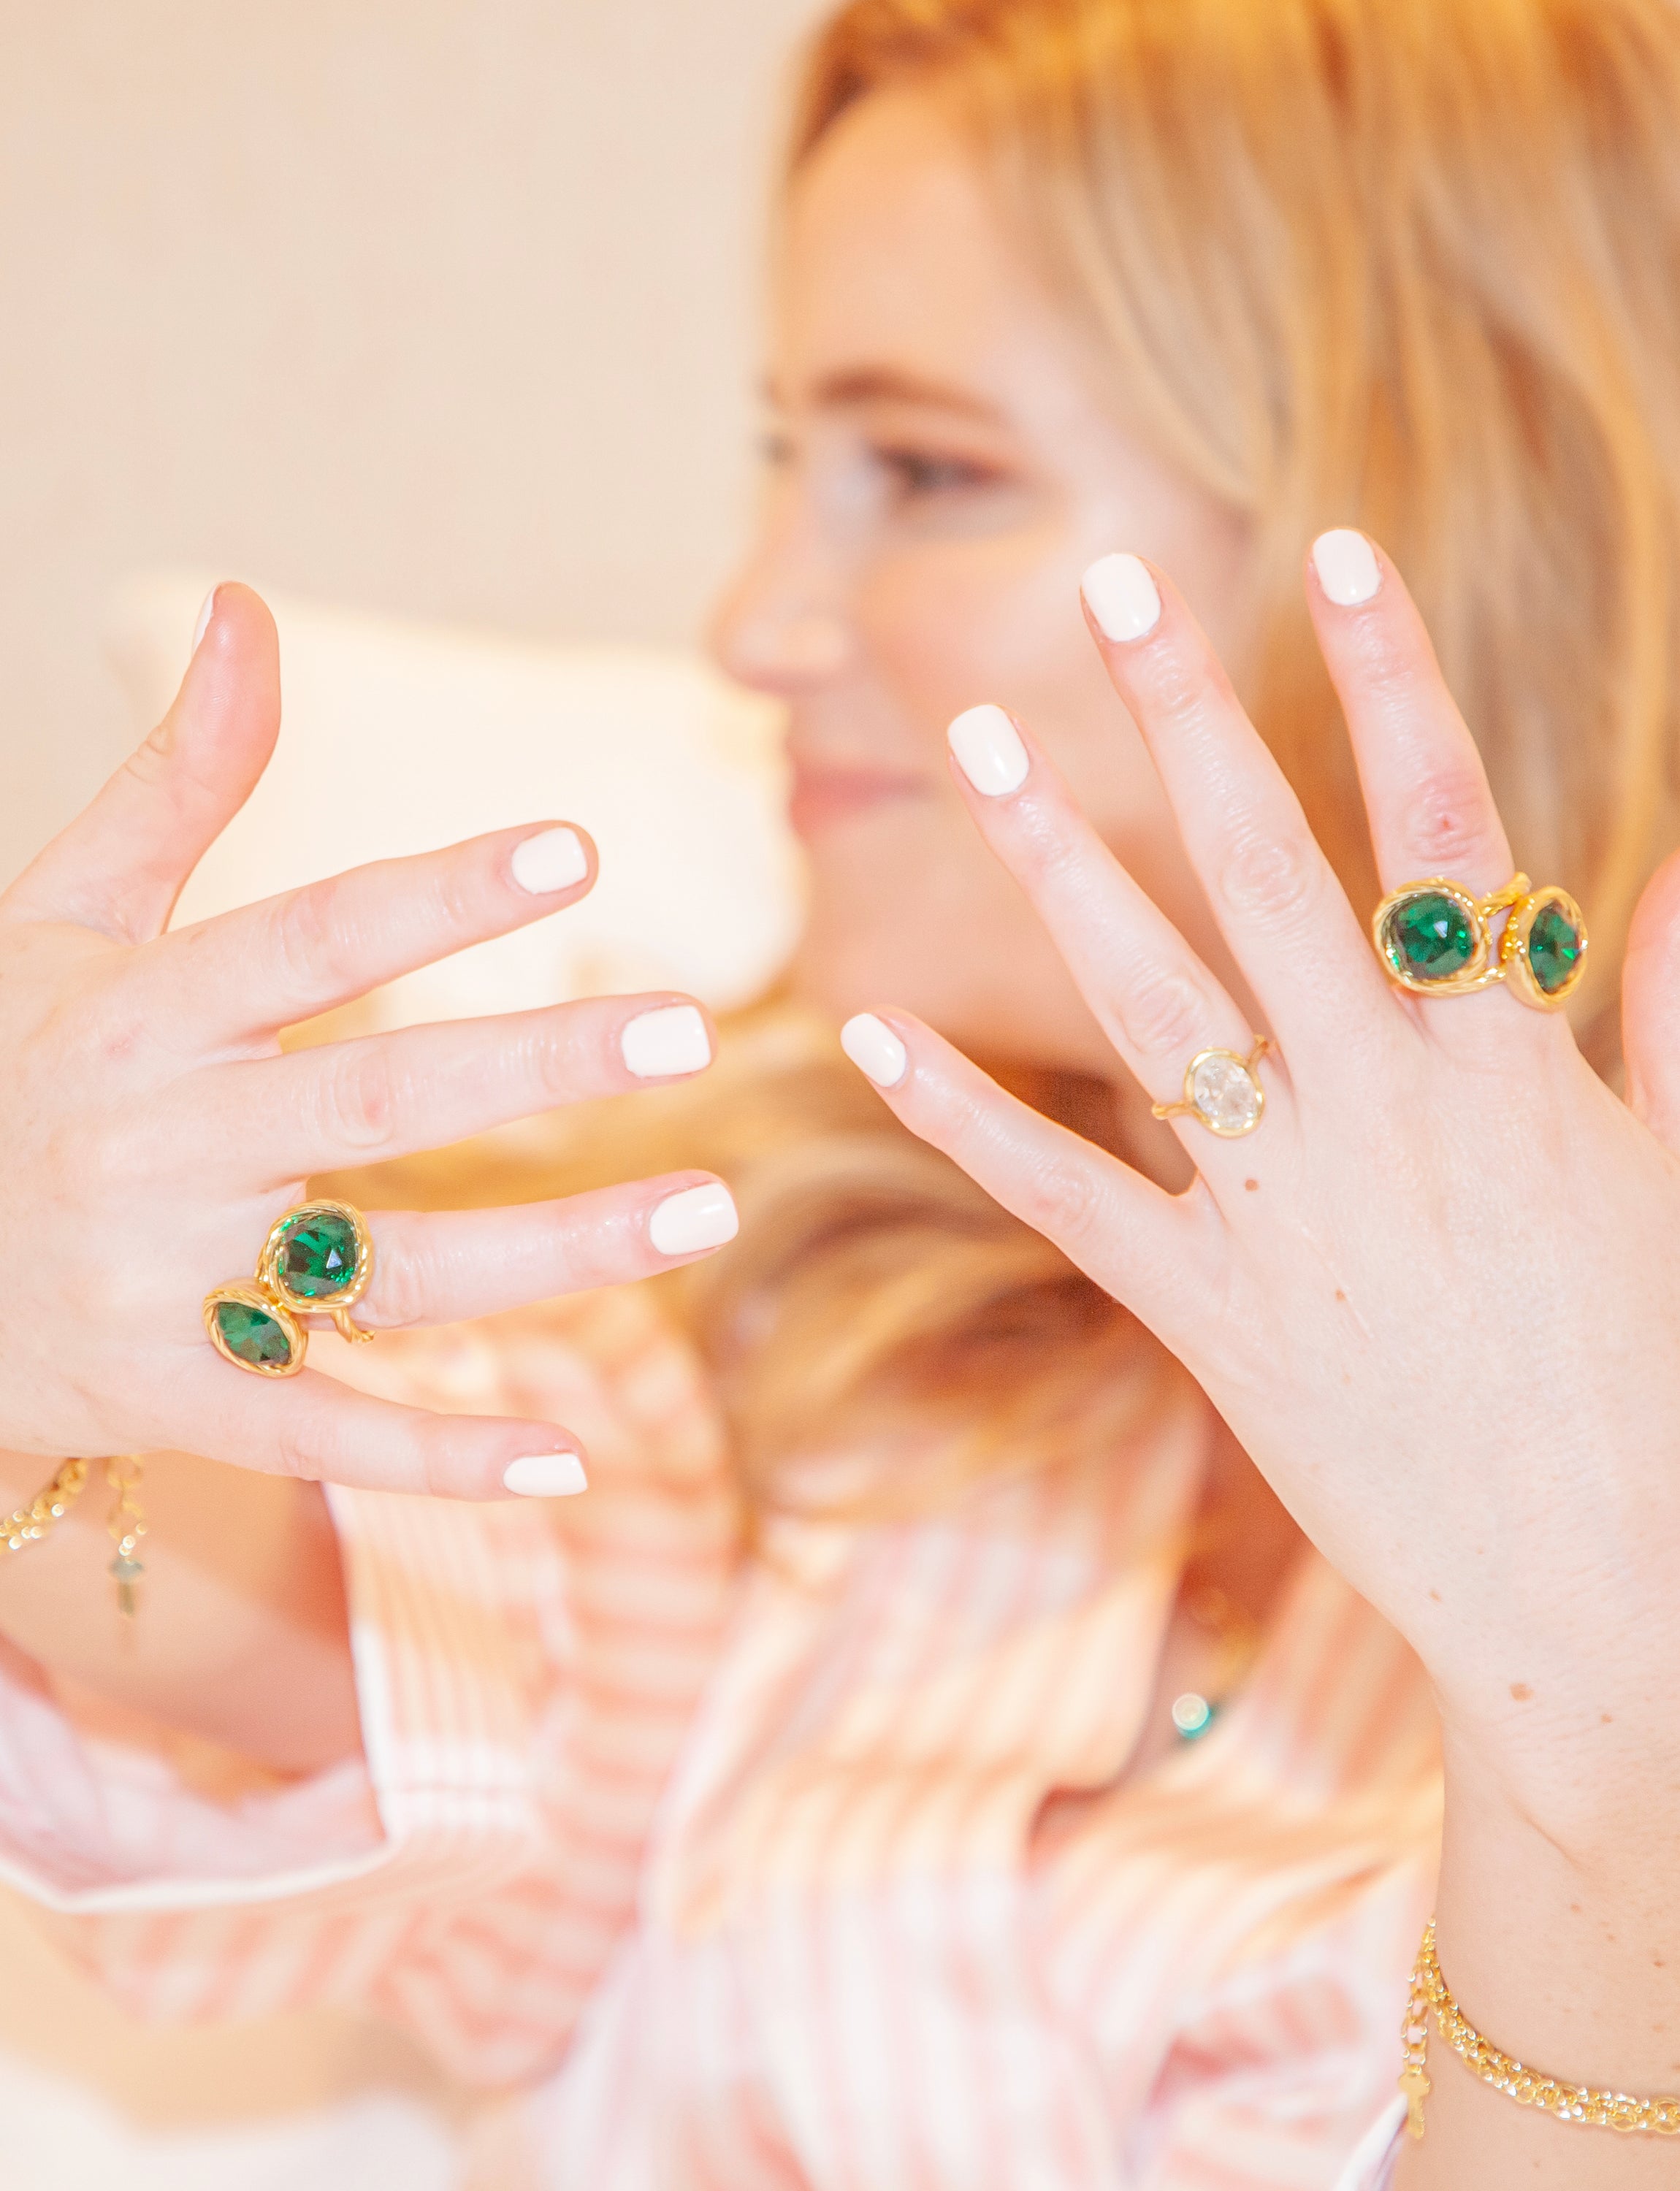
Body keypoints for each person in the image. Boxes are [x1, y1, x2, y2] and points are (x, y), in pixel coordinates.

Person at [2, 0, 1679, 2182]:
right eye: (785, 463)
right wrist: (50, 1365)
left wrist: (1606, 1750)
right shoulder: (769, 1348)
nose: (757, 622)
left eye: (927, 472)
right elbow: (335, 1632)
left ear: (1425, 505)